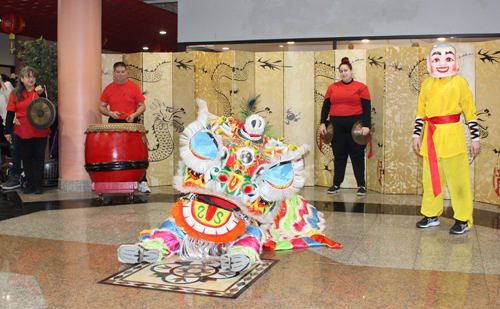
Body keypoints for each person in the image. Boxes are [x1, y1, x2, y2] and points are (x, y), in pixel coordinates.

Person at [412, 43, 480, 235]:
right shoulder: (427, 84)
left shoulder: (460, 83)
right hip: (431, 137)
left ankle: (463, 218)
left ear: (455, 61)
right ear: (429, 63)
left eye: (448, 58)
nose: (442, 62)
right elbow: (420, 112)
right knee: (431, 179)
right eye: (437, 59)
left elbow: (470, 113)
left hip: (453, 135)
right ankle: (431, 214)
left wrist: (475, 138)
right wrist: (417, 134)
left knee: (458, 180)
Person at [320, 57, 371, 196]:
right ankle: (336, 184)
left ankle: (361, 185)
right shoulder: (332, 88)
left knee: (357, 156)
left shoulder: (361, 87)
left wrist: (367, 125)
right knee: (339, 156)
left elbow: (367, 107)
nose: (343, 73)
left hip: (356, 125)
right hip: (337, 126)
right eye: (341, 71)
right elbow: (326, 107)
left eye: (346, 70)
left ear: (351, 71)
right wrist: (322, 123)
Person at [99, 62, 150, 193]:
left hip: (131, 123)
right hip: (114, 123)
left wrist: (134, 115)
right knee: (114, 153)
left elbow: (142, 105)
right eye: (118, 72)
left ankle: (142, 182)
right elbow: (101, 107)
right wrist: (110, 113)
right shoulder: (108, 88)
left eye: (123, 72)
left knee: (136, 153)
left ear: (126, 73)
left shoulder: (133, 87)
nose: (120, 74)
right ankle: (115, 181)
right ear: (113, 74)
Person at [4, 67, 51, 194]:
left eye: (33, 76)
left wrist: (41, 94)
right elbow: (10, 113)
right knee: (26, 157)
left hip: (40, 130)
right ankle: (29, 183)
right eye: (28, 76)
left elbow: (50, 109)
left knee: (39, 157)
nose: (31, 79)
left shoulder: (40, 91)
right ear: (22, 79)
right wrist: (7, 131)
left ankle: (38, 185)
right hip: (23, 130)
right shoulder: (16, 93)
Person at [0, 74, 14, 182]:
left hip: (12, 123)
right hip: (3, 123)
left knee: (14, 150)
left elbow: (11, 98)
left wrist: (1, 82)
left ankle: (16, 173)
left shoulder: (7, 84)